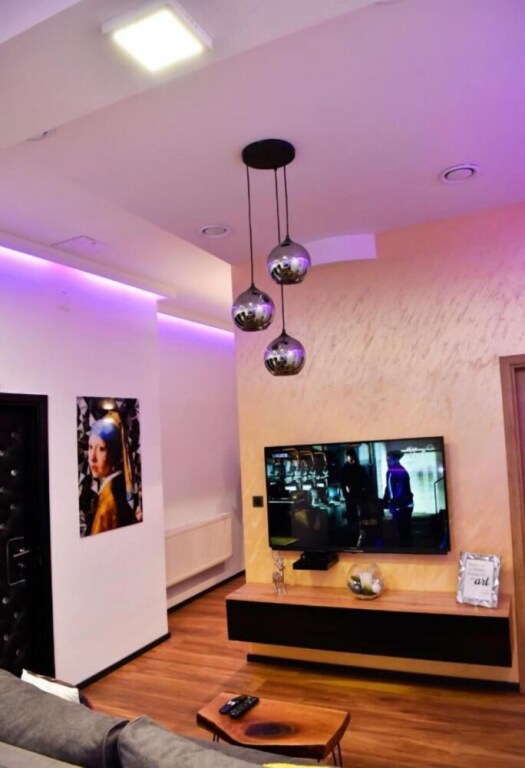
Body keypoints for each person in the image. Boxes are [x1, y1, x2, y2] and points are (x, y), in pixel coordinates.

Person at [86, 412, 135, 535]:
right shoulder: (116, 488)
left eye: (101, 449)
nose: (92, 458)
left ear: (115, 453)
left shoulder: (109, 499)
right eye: (90, 447)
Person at [383, 450, 414, 547]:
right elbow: (389, 488)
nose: (388, 462)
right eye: (387, 460)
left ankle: (405, 549)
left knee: (402, 531)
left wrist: (392, 503)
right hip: (403, 505)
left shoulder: (396, 471)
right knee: (403, 531)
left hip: (401, 506)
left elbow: (398, 489)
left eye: (390, 460)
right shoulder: (397, 471)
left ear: (395, 460)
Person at [340, 448, 370, 545]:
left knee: (361, 518)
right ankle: (354, 538)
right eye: (350, 457)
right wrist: (346, 494)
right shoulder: (345, 469)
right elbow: (343, 484)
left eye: (352, 456)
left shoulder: (359, 468)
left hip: (359, 496)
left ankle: (360, 537)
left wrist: (364, 493)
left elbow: (366, 482)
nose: (351, 458)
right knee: (352, 519)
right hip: (351, 498)